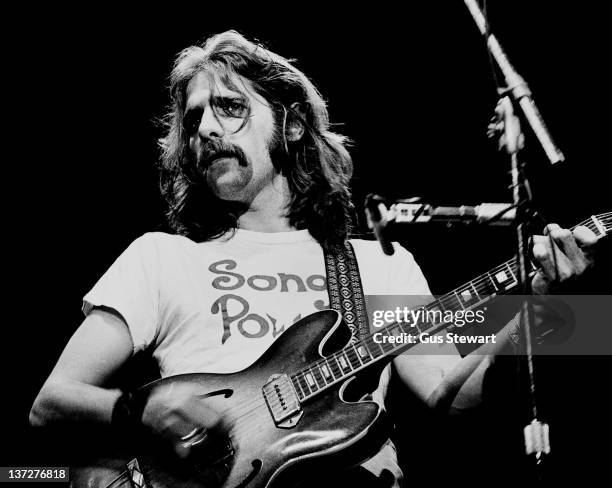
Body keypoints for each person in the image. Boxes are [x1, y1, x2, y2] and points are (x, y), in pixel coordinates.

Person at [29, 30, 598, 487]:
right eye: (194, 118)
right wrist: (141, 413)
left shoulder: (378, 263)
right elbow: (51, 403)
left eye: (228, 107)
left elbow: (449, 396)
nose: (205, 128)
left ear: (292, 124)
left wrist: (541, 310)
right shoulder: (159, 258)